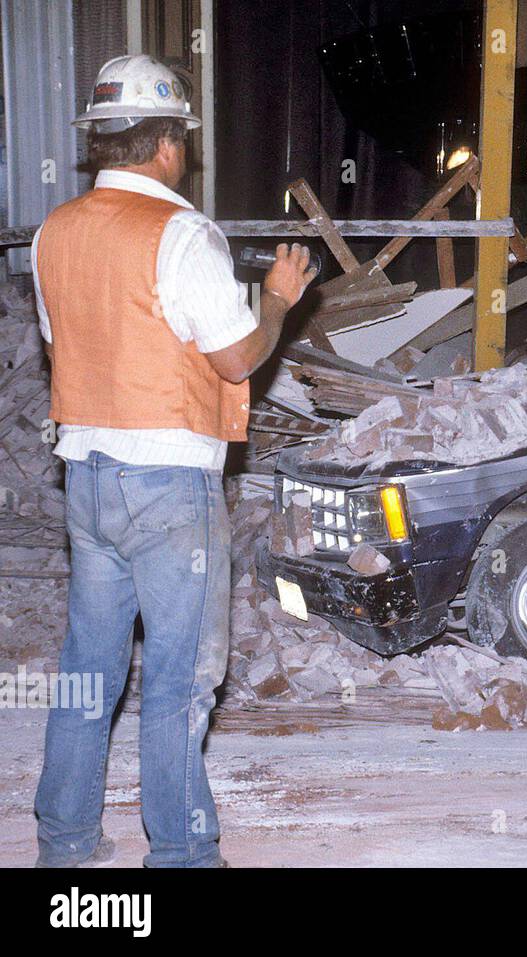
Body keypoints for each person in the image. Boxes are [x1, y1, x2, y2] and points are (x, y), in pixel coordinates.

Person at [31, 54, 315, 867]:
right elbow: (237, 358)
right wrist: (277, 300)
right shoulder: (184, 235)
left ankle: (65, 843)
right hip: (166, 486)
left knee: (87, 672)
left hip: (86, 477)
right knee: (180, 678)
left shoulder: (54, 233)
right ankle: (183, 854)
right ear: (167, 145)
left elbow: (63, 341)